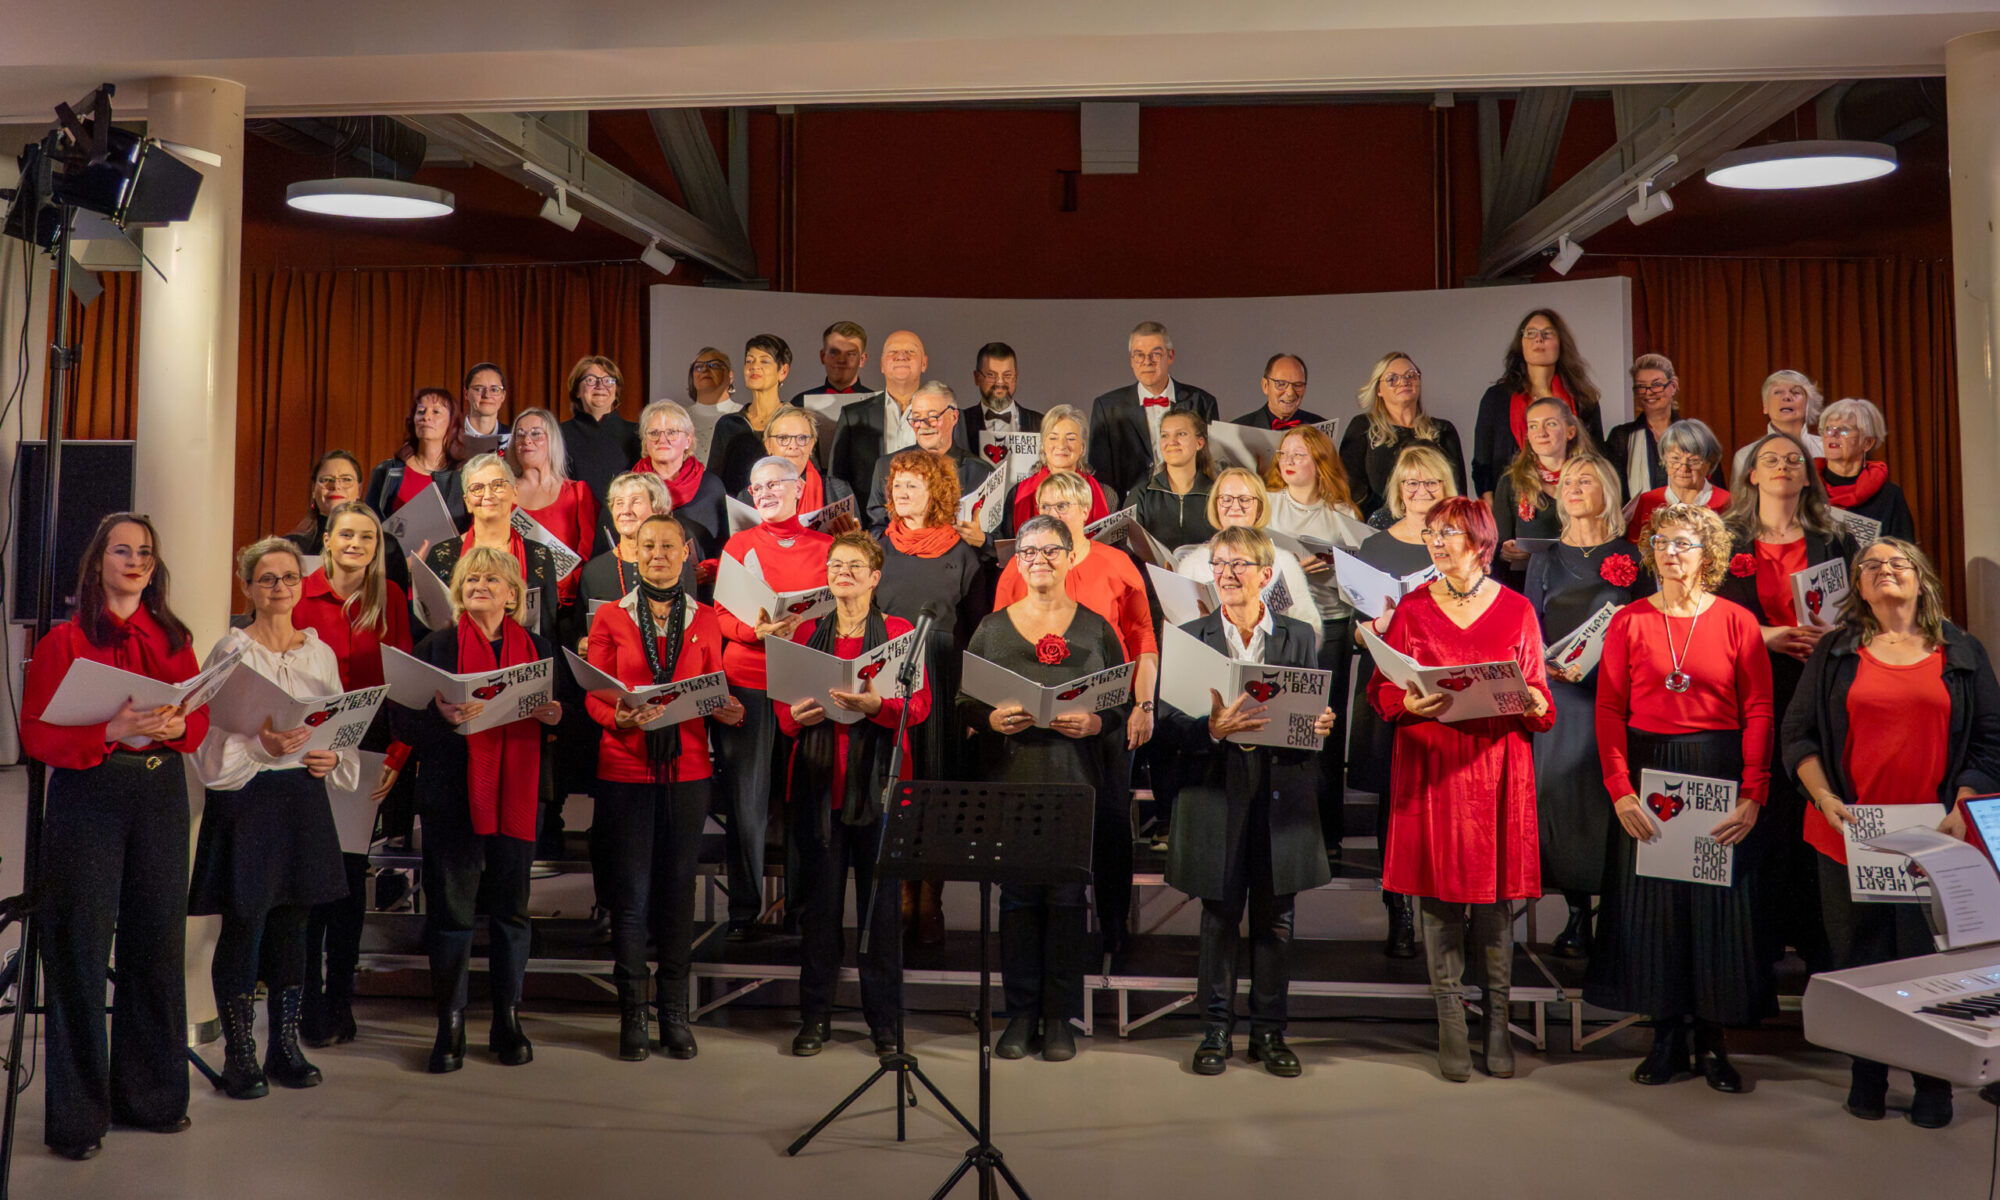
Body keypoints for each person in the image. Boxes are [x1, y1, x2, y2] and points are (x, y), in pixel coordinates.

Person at [1782, 537, 2000, 1129]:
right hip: (1848, 837)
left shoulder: (1962, 651)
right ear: (1857, 585)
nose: (1884, 570)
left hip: (1938, 839)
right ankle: (1868, 1074)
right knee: (1860, 961)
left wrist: (1963, 804)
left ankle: (1933, 1081)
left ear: (1921, 578)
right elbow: (1798, 735)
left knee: (1930, 962)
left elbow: (1990, 742)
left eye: (1897, 562)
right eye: (1870, 565)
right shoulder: (1835, 652)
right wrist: (1823, 796)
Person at [21, 513, 208, 1160]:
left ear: (154, 567)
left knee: (156, 945)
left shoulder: (174, 638)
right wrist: (109, 729)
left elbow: (200, 722)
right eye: (121, 550)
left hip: (159, 793)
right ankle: (78, 1119)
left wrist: (175, 726)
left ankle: (152, 1098)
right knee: (78, 949)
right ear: (98, 561)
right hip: (89, 795)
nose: (134, 561)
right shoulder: (64, 641)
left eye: (144, 552)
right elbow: (36, 735)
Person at [1589, 503, 1776, 1091]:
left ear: (1708, 554)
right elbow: (1609, 708)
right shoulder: (1628, 620)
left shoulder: (1737, 620)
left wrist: (1754, 791)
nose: (1671, 552)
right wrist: (1620, 789)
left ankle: (1713, 1041)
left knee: (1717, 909)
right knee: (1655, 911)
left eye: (1685, 543)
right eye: (1662, 542)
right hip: (1648, 771)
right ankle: (1665, 1036)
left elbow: (1760, 708)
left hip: (1718, 767)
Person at [1368, 497, 1554, 1081]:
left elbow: (1541, 701)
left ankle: (1496, 1021)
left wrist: (1533, 701)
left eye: (1449, 533)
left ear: (1480, 541)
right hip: (1433, 761)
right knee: (1438, 896)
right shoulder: (1413, 607)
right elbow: (1381, 689)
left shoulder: (1517, 609)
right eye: (1432, 533)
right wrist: (1406, 701)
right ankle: (1450, 1019)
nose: (1437, 542)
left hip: (1495, 764)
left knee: (1494, 902)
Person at [1162, 526, 1337, 1077]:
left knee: (1276, 918)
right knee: (1218, 914)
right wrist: (1210, 729)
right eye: (1219, 564)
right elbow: (1167, 725)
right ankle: (1215, 1030)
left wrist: (1319, 726)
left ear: (1266, 574)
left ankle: (1269, 1034)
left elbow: (1309, 713)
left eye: (1239, 564)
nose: (1227, 574)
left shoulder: (1298, 635)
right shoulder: (1190, 636)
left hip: (1280, 786)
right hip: (1216, 785)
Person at [961, 516, 1131, 1062]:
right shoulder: (992, 628)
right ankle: (1020, 1014)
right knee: (1017, 900)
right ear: (1017, 560)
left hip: (1074, 782)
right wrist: (990, 720)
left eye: (1050, 550)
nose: (1038, 560)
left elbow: (1120, 700)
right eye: (1028, 551)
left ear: (1070, 557)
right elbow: (965, 701)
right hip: (1011, 782)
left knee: (1065, 900)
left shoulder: (1096, 628)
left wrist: (1097, 722)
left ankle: (1060, 1016)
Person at [191, 538, 353, 1099]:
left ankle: (284, 1046)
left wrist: (333, 756)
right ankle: (240, 1053)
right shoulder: (231, 650)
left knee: (294, 925)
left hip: (301, 796)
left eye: (289, 577)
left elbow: (336, 722)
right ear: (248, 588)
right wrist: (258, 745)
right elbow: (203, 734)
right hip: (248, 797)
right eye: (267, 579)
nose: (280, 587)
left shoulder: (319, 652)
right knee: (245, 921)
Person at [394, 547, 562, 1073]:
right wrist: (442, 717)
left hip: (520, 793)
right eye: (470, 579)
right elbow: (403, 723)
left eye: (491, 579)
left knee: (512, 910)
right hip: (452, 797)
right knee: (452, 913)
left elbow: (569, 718)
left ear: (513, 595)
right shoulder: (436, 647)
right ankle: (450, 1023)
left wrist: (555, 715)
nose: (479, 586)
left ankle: (508, 1019)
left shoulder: (539, 648)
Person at [584, 514, 745, 1061]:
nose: (657, 553)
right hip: (625, 766)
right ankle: (633, 1013)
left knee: (678, 893)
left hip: (688, 769)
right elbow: (595, 692)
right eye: (647, 545)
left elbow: (713, 688)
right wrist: (620, 718)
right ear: (633, 552)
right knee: (630, 896)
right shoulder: (611, 616)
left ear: (685, 553)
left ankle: (674, 1012)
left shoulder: (707, 619)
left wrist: (727, 709)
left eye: (667, 546)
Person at [776, 531, 930, 1056]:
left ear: (874, 577)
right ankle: (815, 1017)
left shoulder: (901, 633)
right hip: (820, 786)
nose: (842, 573)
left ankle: (884, 1023)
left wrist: (877, 707)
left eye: (854, 566)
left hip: (880, 789)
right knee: (819, 911)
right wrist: (795, 717)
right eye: (835, 566)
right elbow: (783, 708)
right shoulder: (806, 633)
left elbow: (920, 706)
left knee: (881, 913)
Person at [994, 470, 1159, 952]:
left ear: (1087, 511)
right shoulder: (1019, 569)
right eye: (1046, 506)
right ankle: (1048, 931)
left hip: (1106, 712)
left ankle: (1113, 926)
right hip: (1037, 718)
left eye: (1064, 505)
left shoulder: (1116, 564)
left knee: (1110, 819)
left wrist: (1143, 704)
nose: (1054, 513)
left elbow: (1143, 639)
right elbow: (998, 641)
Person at [1716, 431, 1857, 972]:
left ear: (1807, 476)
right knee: (1761, 808)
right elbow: (1705, 613)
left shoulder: (1834, 539)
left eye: (1794, 459)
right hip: (1750, 683)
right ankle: (1758, 944)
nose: (1782, 466)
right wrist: (1766, 635)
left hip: (1818, 683)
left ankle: (1821, 945)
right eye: (1769, 459)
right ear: (1751, 475)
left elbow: (1859, 611)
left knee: (1812, 803)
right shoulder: (1725, 539)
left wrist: (1834, 635)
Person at [290, 501, 414, 1048]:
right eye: (346, 535)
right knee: (309, 882)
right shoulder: (300, 593)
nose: (356, 544)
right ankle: (306, 1001)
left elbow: (405, 683)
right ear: (328, 538)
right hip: (309, 747)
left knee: (347, 878)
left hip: (369, 748)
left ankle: (339, 998)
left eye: (367, 537)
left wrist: (399, 754)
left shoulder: (392, 598)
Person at [1522, 457, 1649, 959]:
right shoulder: (1545, 559)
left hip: (1617, 696)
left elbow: (1649, 626)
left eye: (1586, 480)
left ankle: (1614, 915)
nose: (1573, 488)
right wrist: (1543, 667)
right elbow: (1529, 626)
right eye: (1567, 482)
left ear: (1608, 491)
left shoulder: (1634, 556)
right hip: (1560, 702)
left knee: (1609, 803)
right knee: (1563, 806)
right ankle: (1577, 915)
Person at [713, 456, 837, 938]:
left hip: (805, 680)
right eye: (756, 487)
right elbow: (722, 616)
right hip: (748, 678)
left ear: (799, 488)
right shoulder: (739, 545)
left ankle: (803, 911)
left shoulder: (826, 547)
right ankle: (743, 912)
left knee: (807, 802)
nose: (763, 493)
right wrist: (755, 631)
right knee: (747, 802)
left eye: (773, 484)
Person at [875, 448, 990, 944]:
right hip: (892, 672)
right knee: (898, 784)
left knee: (936, 785)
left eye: (913, 485)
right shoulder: (879, 546)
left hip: (943, 676)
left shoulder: (963, 553)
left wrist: (972, 701)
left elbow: (979, 633)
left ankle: (930, 898)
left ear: (936, 493)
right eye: (897, 485)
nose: (902, 493)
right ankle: (903, 894)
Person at [1347, 444, 1457, 958]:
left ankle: (1445, 905)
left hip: (1442, 686)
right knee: (1392, 800)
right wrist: (1377, 625)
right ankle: (1398, 910)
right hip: (1389, 681)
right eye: (1412, 483)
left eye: (1431, 482)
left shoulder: (1458, 542)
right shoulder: (1374, 546)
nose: (1421, 492)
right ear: (1398, 490)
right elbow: (1354, 633)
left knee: (1442, 795)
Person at [1263, 424, 1364, 853]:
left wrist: (1335, 568)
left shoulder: (1343, 513)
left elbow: (1362, 582)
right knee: (1280, 718)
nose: (1287, 461)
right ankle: (1280, 826)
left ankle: (1327, 830)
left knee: (1325, 723)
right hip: (1281, 625)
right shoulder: (1265, 505)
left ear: (1320, 462)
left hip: (1331, 624)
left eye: (1299, 454)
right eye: (1283, 454)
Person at [424, 453, 562, 647]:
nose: (488, 495)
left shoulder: (539, 555)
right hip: (458, 655)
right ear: (467, 502)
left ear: (515, 492)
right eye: (477, 488)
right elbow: (429, 627)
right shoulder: (441, 555)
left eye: (497, 485)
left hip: (523, 657)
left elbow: (548, 629)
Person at [1471, 309, 1605, 501]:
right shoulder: (1496, 398)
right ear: (1521, 343)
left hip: (1572, 500)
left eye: (1547, 334)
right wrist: (1490, 501)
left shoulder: (1583, 399)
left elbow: (1597, 459)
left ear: (1561, 343)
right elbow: (1482, 460)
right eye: (1531, 333)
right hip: (1512, 501)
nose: (1538, 339)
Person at [1175, 468, 1318, 636]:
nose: (1235, 506)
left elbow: (1311, 628)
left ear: (1259, 508)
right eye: (1226, 499)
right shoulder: (1191, 565)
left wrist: (1276, 633)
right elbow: (1179, 629)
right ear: (1216, 505)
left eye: (1244, 500)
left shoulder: (1284, 562)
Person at [1088, 321, 1222, 500]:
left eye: (1155, 354)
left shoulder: (1202, 402)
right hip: (1128, 505)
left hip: (1191, 502)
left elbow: (1212, 465)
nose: (1147, 362)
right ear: (1131, 361)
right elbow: (1100, 475)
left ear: (1170, 356)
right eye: (1139, 355)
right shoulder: (1107, 407)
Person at [1339, 352, 1468, 522]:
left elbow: (1457, 491)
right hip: (1376, 525)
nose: (1404, 382)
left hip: (1434, 525)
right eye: (1392, 379)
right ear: (1378, 389)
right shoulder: (1363, 426)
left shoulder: (1442, 430)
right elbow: (1350, 486)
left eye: (1411, 375)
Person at [864, 381, 994, 537]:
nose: (923, 425)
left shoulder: (981, 473)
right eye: (916, 418)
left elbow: (996, 535)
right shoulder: (886, 467)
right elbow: (876, 530)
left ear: (954, 417)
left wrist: (982, 540)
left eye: (932, 417)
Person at [1492, 396, 1589, 590]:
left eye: (1550, 424)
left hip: (1581, 582)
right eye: (1533, 426)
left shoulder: (1591, 479)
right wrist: (1506, 552)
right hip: (1529, 585)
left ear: (1570, 432)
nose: (1541, 433)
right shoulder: (1511, 482)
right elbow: (1495, 546)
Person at [287, 448, 412, 592]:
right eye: (326, 480)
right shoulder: (291, 547)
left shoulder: (386, 546)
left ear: (359, 490)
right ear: (314, 490)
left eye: (346, 479)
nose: (336, 486)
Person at [509, 407, 599, 606]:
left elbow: (587, 554)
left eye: (536, 434)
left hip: (564, 603)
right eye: (520, 434)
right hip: (513, 600)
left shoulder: (577, 492)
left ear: (552, 441)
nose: (526, 440)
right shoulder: (502, 493)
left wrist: (554, 590)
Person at [829, 329, 928, 497]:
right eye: (893, 352)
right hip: (867, 513)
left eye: (911, 351)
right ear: (882, 364)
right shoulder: (852, 417)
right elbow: (837, 479)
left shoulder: (944, 416)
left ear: (924, 363)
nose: (901, 356)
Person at [582, 472, 700, 610]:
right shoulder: (593, 571)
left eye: (636, 502)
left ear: (658, 510)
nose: (625, 511)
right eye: (619, 503)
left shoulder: (676, 566)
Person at [635, 399, 728, 563]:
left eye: (672, 432)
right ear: (645, 441)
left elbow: (725, 546)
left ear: (688, 440)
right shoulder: (630, 487)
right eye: (654, 433)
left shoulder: (712, 487)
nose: (662, 439)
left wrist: (711, 568)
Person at [559, 356, 642, 539]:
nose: (600, 386)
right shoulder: (557, 433)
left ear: (616, 390)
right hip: (572, 528)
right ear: (577, 390)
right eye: (591, 380)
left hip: (622, 529)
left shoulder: (637, 434)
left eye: (608, 380)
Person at [711, 334, 802, 497]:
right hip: (738, 509)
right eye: (749, 361)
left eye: (764, 361)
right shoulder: (729, 424)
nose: (754, 367)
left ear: (783, 371)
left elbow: (809, 476)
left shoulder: (798, 423)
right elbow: (715, 482)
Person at [1816, 397, 1915, 542]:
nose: (1832, 435)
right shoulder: (1805, 488)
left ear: (1867, 443)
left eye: (1844, 430)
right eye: (1828, 429)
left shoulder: (1889, 496)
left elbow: (1903, 550)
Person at [364, 387, 467, 525]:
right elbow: (369, 522)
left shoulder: (463, 477)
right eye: (421, 411)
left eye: (436, 412)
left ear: (452, 423)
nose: (426, 417)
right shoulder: (385, 471)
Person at [1009, 404, 1116, 530]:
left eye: (1070, 439)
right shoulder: (1018, 494)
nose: (1061, 445)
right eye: (1053, 438)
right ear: (1043, 445)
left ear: (1082, 447)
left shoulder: (1105, 494)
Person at [1627, 419, 1730, 543]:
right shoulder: (1648, 501)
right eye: (1675, 459)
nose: (1684, 468)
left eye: (1693, 461)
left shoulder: (1727, 503)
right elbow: (1636, 548)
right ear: (1664, 460)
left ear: (1709, 464)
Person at [1131, 407, 1219, 553]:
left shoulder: (1219, 495)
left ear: (1199, 443)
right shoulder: (1141, 495)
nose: (1171, 442)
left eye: (1181, 434)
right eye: (1164, 435)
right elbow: (1128, 550)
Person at [792, 321, 874, 474]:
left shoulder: (877, 402)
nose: (841, 360)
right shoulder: (799, 403)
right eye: (834, 352)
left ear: (862, 360)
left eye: (850, 354)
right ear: (822, 356)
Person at [1605, 353, 1682, 501]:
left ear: (1673, 387)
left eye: (1656, 385)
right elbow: (1612, 492)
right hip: (1636, 515)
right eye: (1641, 386)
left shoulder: (1693, 435)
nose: (1648, 392)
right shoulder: (1621, 437)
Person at [1729, 369, 1826, 479]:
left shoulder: (1826, 449)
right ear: (1765, 406)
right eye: (1778, 392)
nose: (1787, 397)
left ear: (1808, 405)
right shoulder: (1746, 456)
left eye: (1796, 392)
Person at [959, 341, 1041, 443]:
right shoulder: (959, 423)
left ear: (1016, 377)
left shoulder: (1040, 423)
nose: (1000, 382)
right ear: (977, 377)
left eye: (1007, 375)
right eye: (991, 375)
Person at [1233, 353, 1325, 430]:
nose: (1290, 393)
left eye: (1298, 385)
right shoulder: (1237, 429)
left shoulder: (1321, 429)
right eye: (1281, 384)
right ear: (1265, 386)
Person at [685, 345, 740, 465]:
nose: (705, 369)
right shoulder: (679, 418)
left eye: (714, 365)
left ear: (730, 376)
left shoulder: (744, 416)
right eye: (699, 367)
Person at [462, 361, 512, 451]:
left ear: (503, 396)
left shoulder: (513, 438)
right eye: (478, 389)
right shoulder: (450, 437)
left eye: (494, 390)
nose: (487, 395)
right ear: (466, 393)